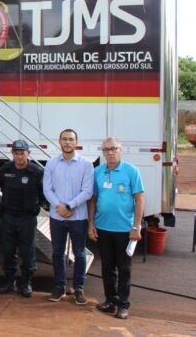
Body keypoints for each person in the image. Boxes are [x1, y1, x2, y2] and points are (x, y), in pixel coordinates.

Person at [89, 138, 145, 320]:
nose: (110, 153)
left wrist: (136, 226)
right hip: (103, 228)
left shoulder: (131, 171)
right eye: (106, 150)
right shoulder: (98, 172)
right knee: (107, 267)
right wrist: (91, 223)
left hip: (124, 230)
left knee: (124, 269)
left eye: (113, 149)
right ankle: (110, 301)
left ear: (120, 150)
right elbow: (93, 200)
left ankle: (123, 305)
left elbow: (139, 200)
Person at [43, 128, 94, 304]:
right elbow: (47, 189)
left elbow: (87, 191)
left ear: (76, 142)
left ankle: (78, 289)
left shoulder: (86, 165)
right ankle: (59, 287)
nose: (67, 142)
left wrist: (70, 205)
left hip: (78, 217)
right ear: (59, 142)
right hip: (57, 216)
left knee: (79, 253)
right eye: (64, 139)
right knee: (57, 252)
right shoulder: (51, 164)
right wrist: (59, 206)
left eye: (71, 139)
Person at [0, 140, 44, 297]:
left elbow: (42, 194)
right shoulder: (6, 169)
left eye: (22, 153)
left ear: (28, 154)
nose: (19, 156)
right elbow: (3, 188)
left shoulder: (36, 172)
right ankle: (9, 281)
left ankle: (26, 282)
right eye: (16, 153)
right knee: (8, 250)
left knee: (27, 251)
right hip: (9, 215)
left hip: (27, 218)